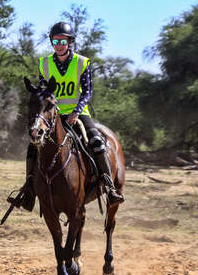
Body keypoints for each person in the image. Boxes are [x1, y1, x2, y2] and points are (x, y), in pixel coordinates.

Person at [7, 21, 124, 210]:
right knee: (33, 145)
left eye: (63, 41)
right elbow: (44, 92)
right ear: (52, 42)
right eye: (55, 41)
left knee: (96, 141)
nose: (59, 44)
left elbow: (87, 92)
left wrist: (76, 112)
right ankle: (28, 191)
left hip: (78, 113)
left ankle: (110, 188)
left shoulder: (81, 62)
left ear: (70, 42)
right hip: (52, 114)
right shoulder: (44, 63)